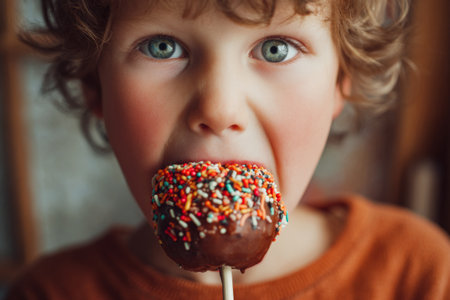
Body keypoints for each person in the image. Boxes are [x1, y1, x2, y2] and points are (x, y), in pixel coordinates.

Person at [6, 0, 450, 299]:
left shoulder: (419, 274)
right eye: (163, 47)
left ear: (340, 82)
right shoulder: (51, 291)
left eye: (276, 49)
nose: (218, 108)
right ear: (94, 87)